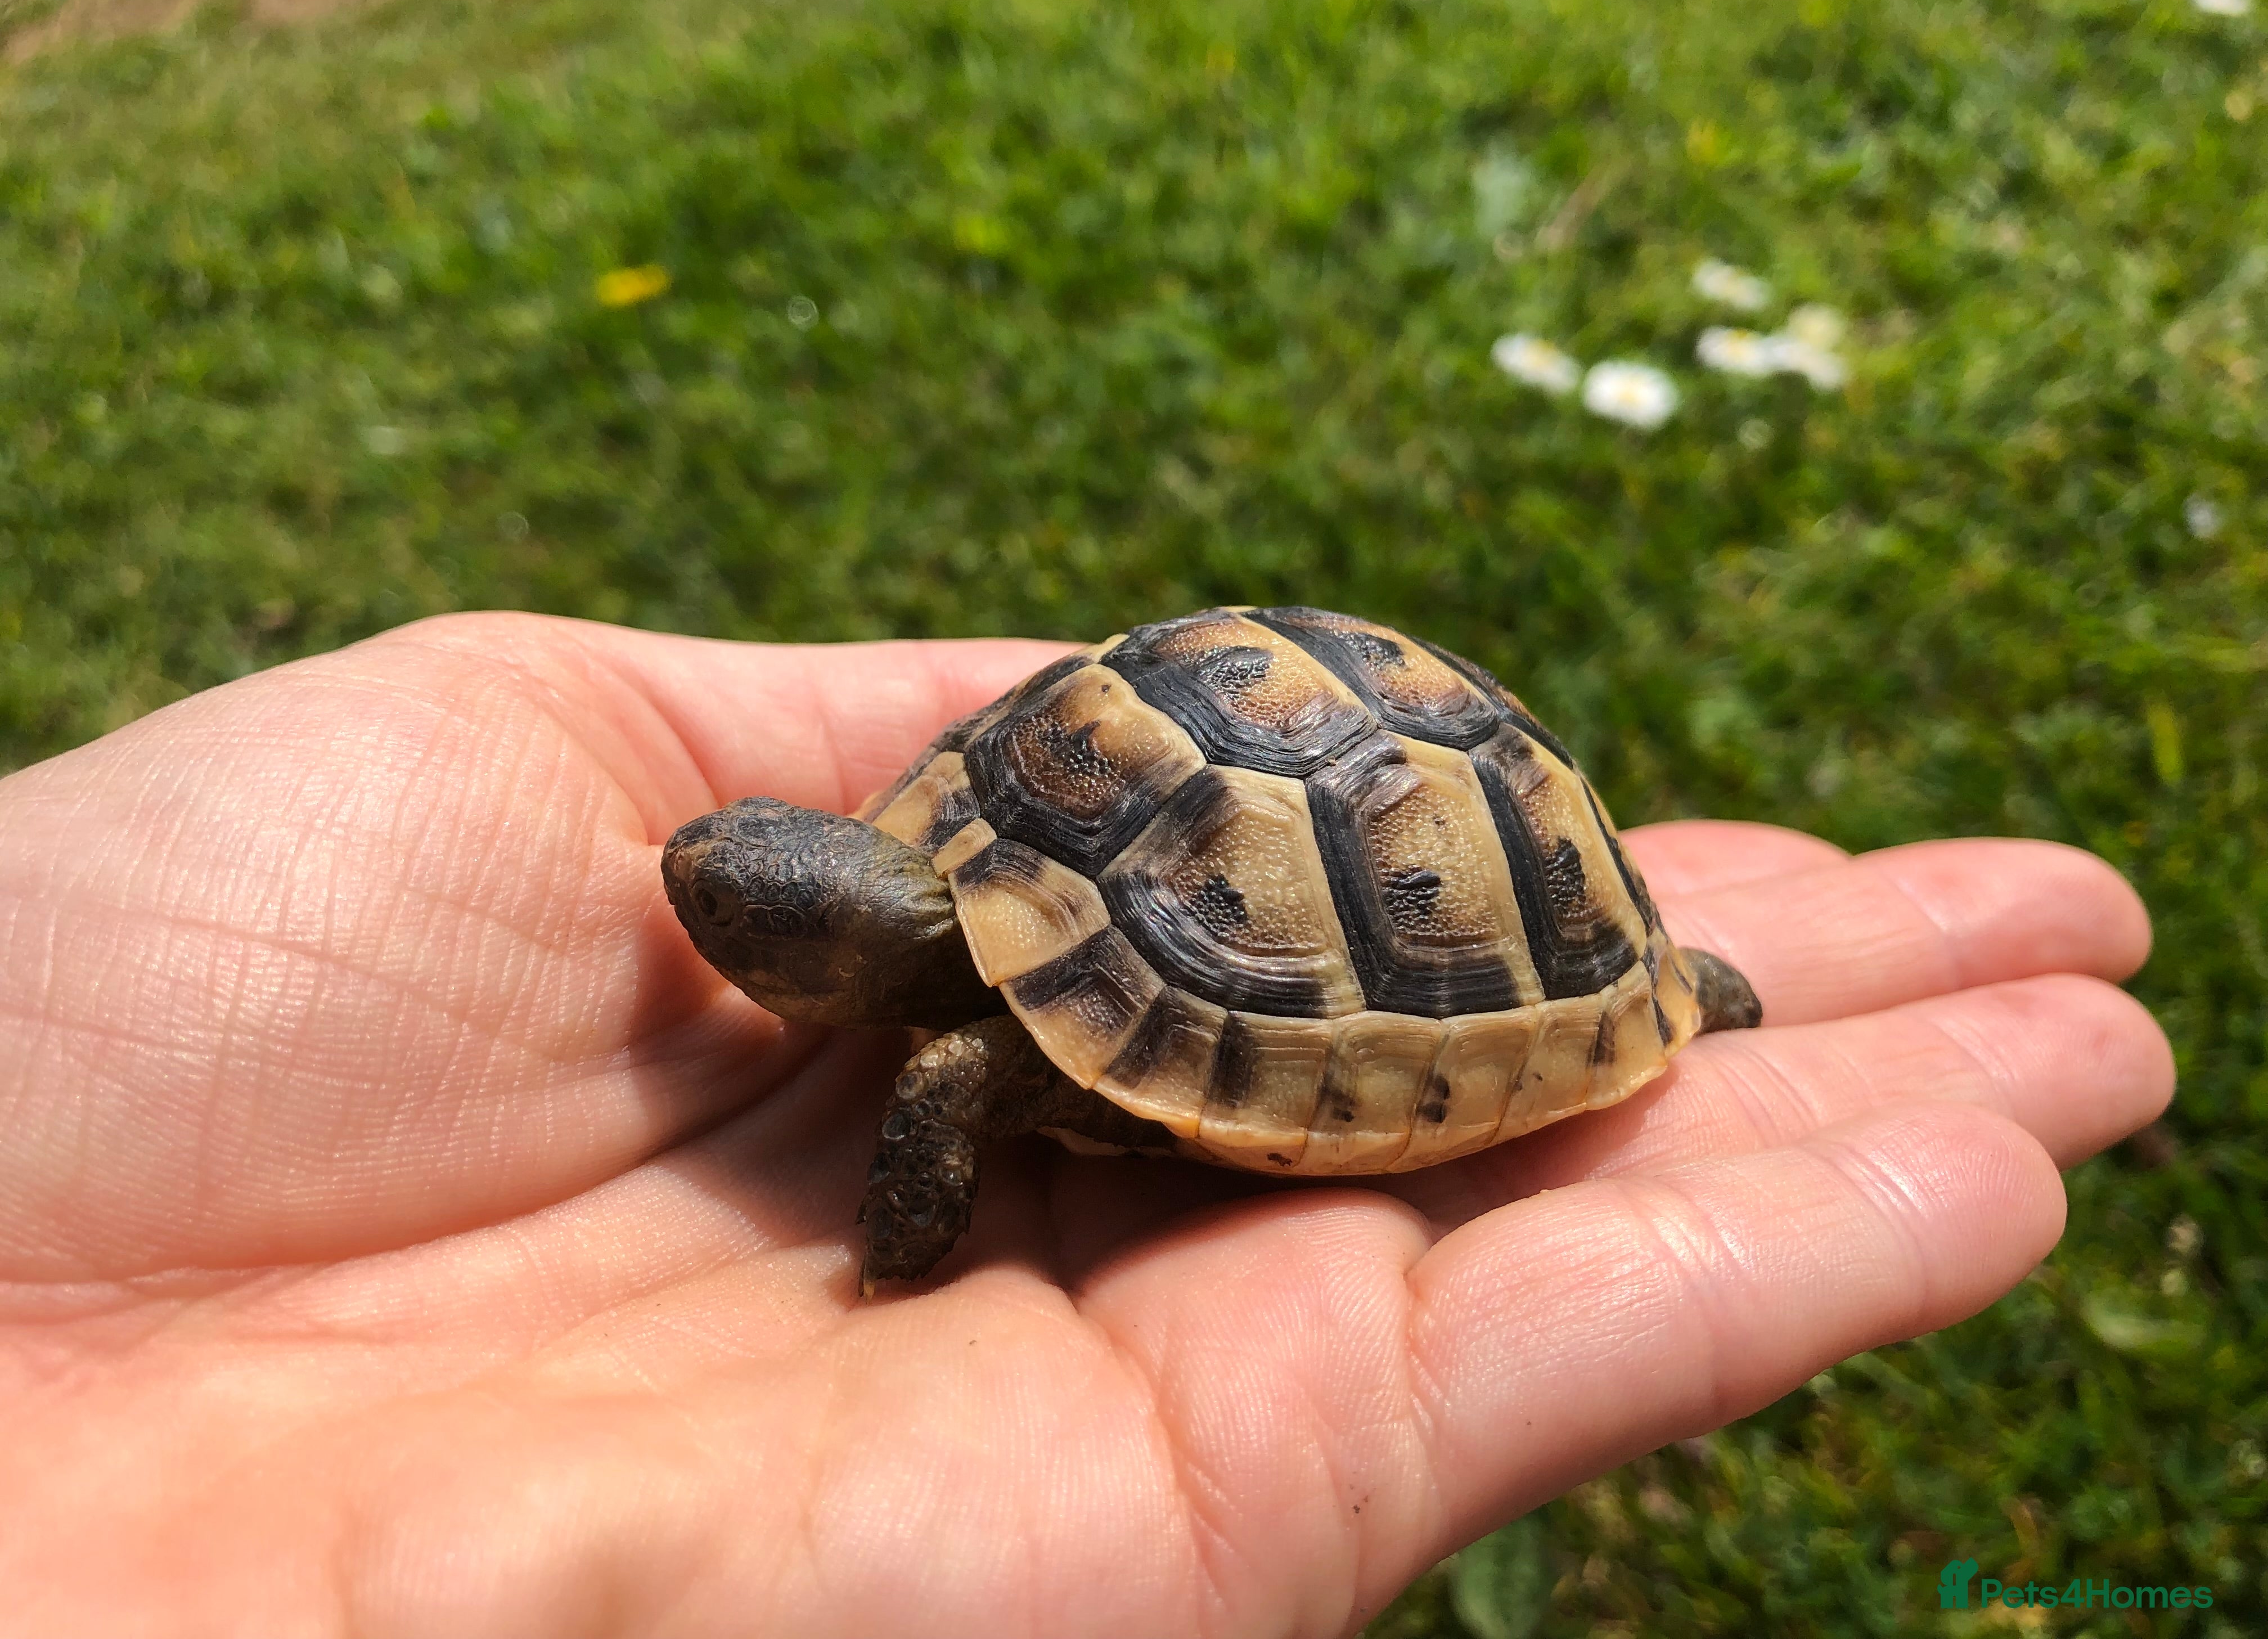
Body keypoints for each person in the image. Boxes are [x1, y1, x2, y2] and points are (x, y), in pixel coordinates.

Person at [0, 612, 2170, 1634]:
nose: (725, 917)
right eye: (748, 903)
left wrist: (894, 1258)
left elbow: (955, 1059)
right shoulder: (936, 876)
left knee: (968, 1068)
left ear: (844, 944)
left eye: (760, 917)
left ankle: (1639, 984)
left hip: (1410, 911)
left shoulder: (945, 1026)